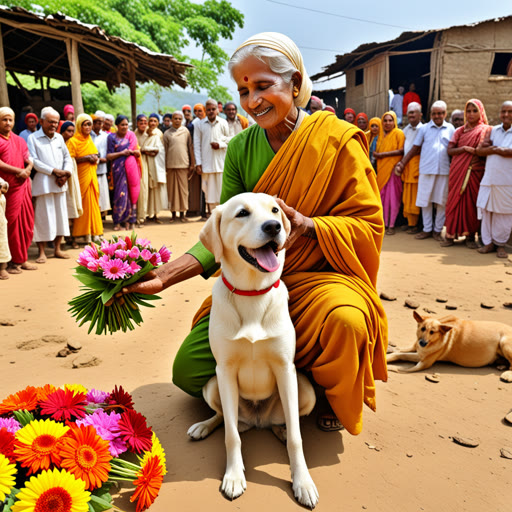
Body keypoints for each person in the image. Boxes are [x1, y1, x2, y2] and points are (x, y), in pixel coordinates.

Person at [126, 32, 388, 436]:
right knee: (188, 371)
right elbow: (223, 229)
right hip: (256, 284)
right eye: (244, 90)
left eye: (264, 86)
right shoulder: (241, 147)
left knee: (347, 323)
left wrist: (311, 225)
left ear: (296, 85)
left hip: (323, 278)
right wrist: (166, 274)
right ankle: (281, 368)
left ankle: (313, 382)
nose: (252, 101)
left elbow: (367, 223)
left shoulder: (337, 141)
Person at [399, 101, 455, 241]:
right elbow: (415, 148)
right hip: (426, 169)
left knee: (441, 202)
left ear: (445, 114)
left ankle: (437, 230)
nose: (437, 116)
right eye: (435, 113)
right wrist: (402, 163)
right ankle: (427, 229)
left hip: (443, 171)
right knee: (426, 201)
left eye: (440, 113)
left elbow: (453, 150)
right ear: (430, 114)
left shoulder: (450, 128)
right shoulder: (424, 129)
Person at [27, 107, 72, 263]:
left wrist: (66, 173)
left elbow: (67, 157)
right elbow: (34, 161)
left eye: (56, 122)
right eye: (50, 122)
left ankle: (58, 249)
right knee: (43, 218)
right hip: (44, 183)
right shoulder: (33, 138)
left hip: (60, 183)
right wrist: (54, 171)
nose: (53, 125)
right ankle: (41, 252)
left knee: (60, 217)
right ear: (41, 122)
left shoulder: (59, 137)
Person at [442, 99, 489, 249]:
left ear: (481, 112)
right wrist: (464, 149)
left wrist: (473, 151)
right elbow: (450, 150)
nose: (471, 114)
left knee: (471, 204)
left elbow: (484, 151)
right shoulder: (459, 131)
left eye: (475, 111)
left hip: (475, 172)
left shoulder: (485, 130)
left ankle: (470, 237)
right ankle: (450, 235)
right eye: (468, 111)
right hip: (457, 172)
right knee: (453, 202)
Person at [0, 107, 36, 274]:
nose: (8, 123)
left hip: (22, 186)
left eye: (10, 120)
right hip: (7, 189)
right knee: (10, 226)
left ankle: (22, 259)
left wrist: (28, 168)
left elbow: (28, 159)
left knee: (26, 225)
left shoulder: (19, 140)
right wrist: (18, 171)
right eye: (4, 119)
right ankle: (11, 262)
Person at [476, 101, 512, 258]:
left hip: (507, 181)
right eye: (503, 111)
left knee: (504, 214)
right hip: (489, 179)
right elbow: (480, 150)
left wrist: (497, 149)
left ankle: (501, 245)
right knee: (487, 211)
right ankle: (488, 243)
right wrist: (493, 149)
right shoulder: (493, 130)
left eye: (510, 111)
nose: (506, 115)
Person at [67, 114, 103, 243]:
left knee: (93, 204)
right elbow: (69, 160)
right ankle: (82, 234)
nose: (88, 127)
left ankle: (95, 232)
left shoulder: (89, 140)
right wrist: (86, 158)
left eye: (89, 124)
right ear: (79, 126)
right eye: (85, 124)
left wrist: (94, 158)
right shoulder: (73, 141)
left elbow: (94, 154)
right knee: (83, 204)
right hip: (81, 178)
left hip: (92, 177)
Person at [193, 98, 230, 215]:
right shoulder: (199, 124)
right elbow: (197, 144)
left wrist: (220, 145)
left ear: (217, 110)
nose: (211, 111)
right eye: (208, 109)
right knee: (208, 192)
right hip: (206, 164)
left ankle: (222, 216)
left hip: (221, 164)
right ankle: (212, 216)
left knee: (221, 192)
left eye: (213, 109)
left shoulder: (223, 123)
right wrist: (198, 163)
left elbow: (230, 141)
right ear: (205, 110)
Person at [106, 115, 141, 231]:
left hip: (130, 169)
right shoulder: (111, 138)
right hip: (117, 170)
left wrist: (135, 152)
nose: (125, 127)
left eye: (126, 124)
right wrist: (122, 153)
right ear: (117, 126)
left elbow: (136, 150)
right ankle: (117, 222)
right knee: (119, 195)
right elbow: (109, 156)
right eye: (122, 124)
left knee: (130, 194)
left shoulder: (130, 137)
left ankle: (129, 220)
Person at [373, 111, 405, 235]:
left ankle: (391, 225)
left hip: (393, 171)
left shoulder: (399, 133)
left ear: (395, 121)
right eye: (385, 120)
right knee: (381, 198)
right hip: (381, 171)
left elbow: (402, 150)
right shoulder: (380, 135)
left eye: (390, 120)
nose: (387, 123)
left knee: (393, 199)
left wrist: (382, 155)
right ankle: (384, 224)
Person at [394, 102, 423, 234]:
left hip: (417, 167)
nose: (411, 115)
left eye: (414, 112)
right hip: (406, 168)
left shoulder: (424, 129)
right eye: (409, 112)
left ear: (420, 115)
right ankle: (408, 222)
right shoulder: (404, 131)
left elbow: (417, 149)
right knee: (407, 196)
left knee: (416, 196)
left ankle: (416, 225)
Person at [164, 111, 195, 222]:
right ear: (171, 120)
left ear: (182, 120)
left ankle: (182, 214)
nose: (177, 121)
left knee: (183, 191)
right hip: (171, 165)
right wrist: (164, 166)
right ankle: (173, 214)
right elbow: (165, 151)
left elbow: (190, 146)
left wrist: (192, 163)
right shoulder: (167, 133)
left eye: (179, 119)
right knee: (172, 191)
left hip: (183, 164)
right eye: (175, 118)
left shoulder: (185, 131)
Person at [139, 113, 167, 224]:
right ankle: (146, 213)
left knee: (155, 189)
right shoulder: (144, 133)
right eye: (151, 121)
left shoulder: (159, 134)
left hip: (155, 164)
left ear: (158, 123)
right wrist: (146, 151)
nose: (152, 123)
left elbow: (160, 150)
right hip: (145, 162)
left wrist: (151, 151)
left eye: (155, 121)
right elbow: (140, 147)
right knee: (146, 188)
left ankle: (155, 214)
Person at [60, 121, 82, 248]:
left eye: (72, 131)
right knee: (62, 207)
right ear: (62, 131)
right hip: (60, 177)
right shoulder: (57, 142)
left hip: (72, 176)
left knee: (72, 204)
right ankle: (62, 239)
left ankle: (72, 237)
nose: (71, 133)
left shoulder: (74, 142)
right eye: (68, 131)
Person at [91, 112, 111, 217]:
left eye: (100, 123)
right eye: (96, 123)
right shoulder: (88, 135)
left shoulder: (106, 136)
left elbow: (109, 151)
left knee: (102, 196)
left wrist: (105, 158)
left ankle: (101, 218)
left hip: (102, 169)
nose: (98, 125)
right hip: (91, 169)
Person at [0, 176, 10, 279]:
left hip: (0, 222)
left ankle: (2, 268)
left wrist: (3, 187)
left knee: (2, 242)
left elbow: (5, 185)